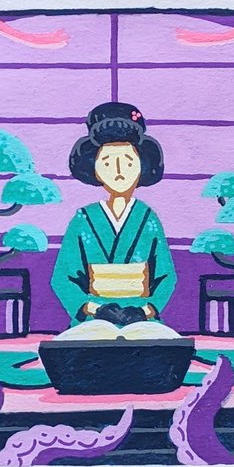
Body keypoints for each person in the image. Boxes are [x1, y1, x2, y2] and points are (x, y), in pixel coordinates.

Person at [50, 102, 178, 336]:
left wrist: (145, 311)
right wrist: (95, 308)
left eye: (128, 161)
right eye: (108, 162)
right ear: (94, 168)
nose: (119, 170)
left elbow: (165, 276)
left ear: (141, 165)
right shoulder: (83, 219)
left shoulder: (147, 218)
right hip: (93, 317)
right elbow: (63, 277)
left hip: (141, 316)